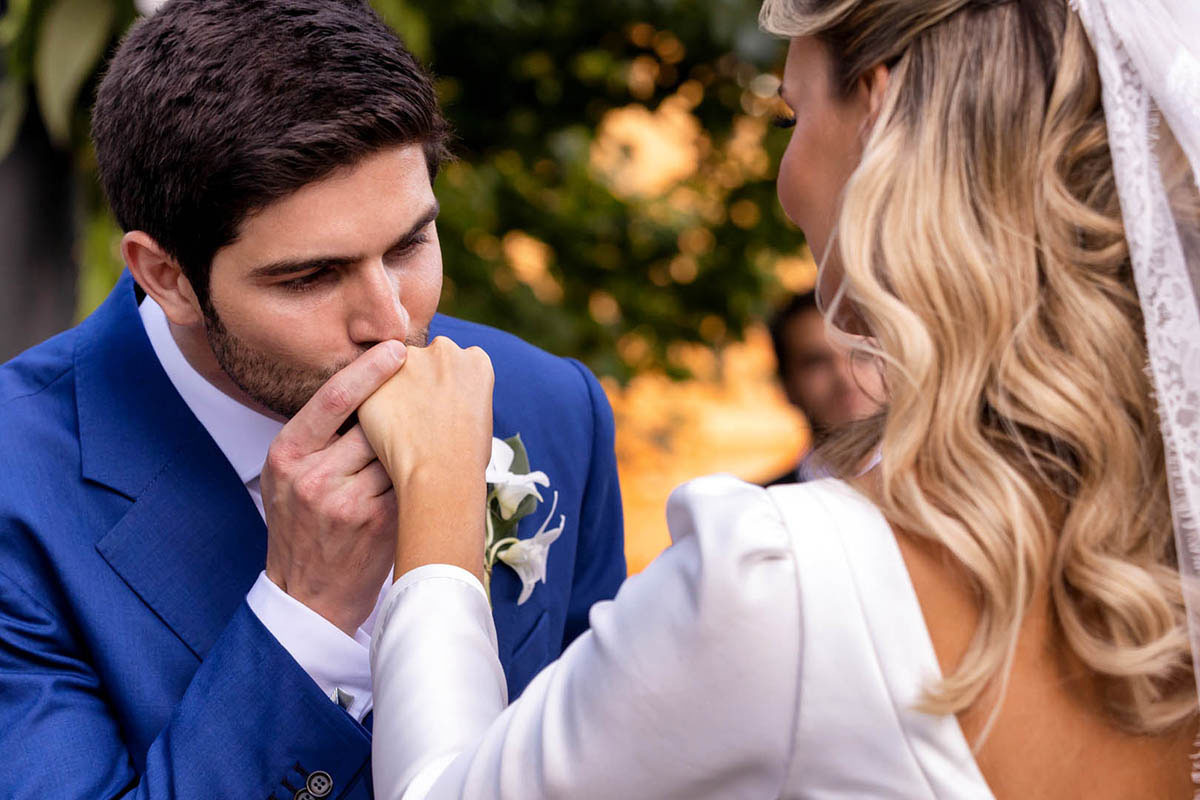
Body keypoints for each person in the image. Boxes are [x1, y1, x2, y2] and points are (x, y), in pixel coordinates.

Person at [359, 0, 1200, 797]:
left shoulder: (783, 582)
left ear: (877, 115)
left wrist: (437, 498)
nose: (786, 179)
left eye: (792, 116)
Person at [0, 1, 625, 797]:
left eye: (409, 245)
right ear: (164, 276)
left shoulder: (552, 406)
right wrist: (304, 614)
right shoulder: (18, 485)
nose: (391, 323)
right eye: (310, 277)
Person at [765, 289, 883, 485]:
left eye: (863, 354)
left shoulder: (946, 495)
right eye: (816, 362)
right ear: (787, 384)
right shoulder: (759, 510)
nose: (845, 377)